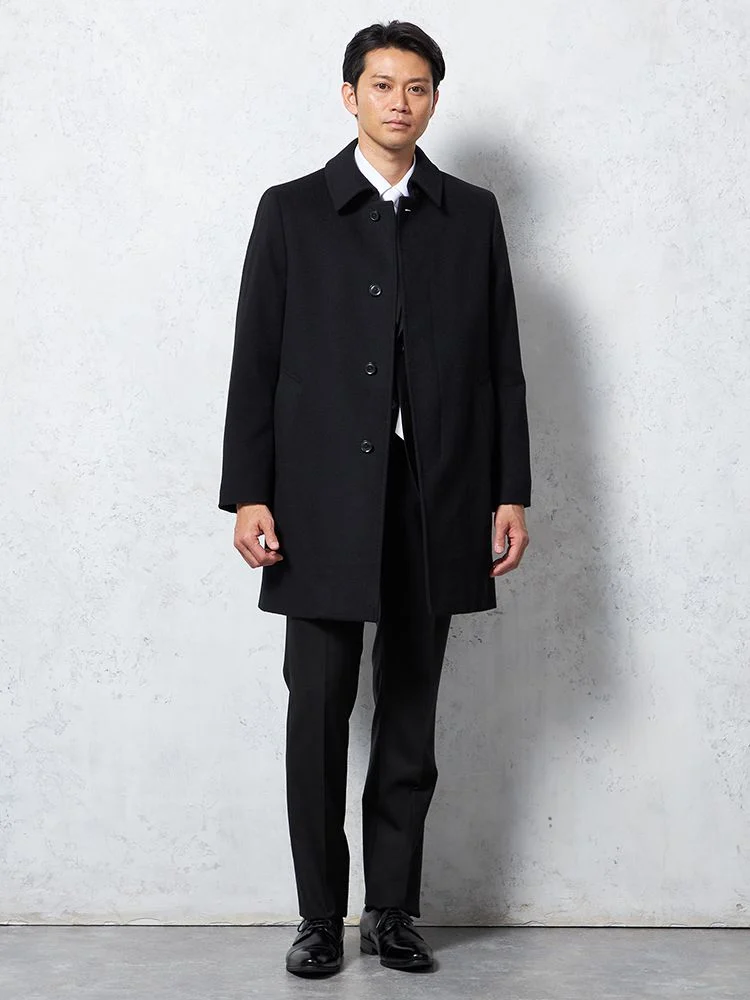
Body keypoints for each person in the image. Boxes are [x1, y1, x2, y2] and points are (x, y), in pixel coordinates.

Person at [218, 19, 531, 977]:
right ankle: (319, 916)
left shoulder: (469, 214)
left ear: (434, 100)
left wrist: (508, 490)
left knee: (410, 707)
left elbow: (502, 365)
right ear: (350, 95)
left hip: (437, 494)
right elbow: (256, 359)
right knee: (316, 707)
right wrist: (249, 493)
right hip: (316, 499)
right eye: (384, 85)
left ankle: (392, 911)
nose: (401, 102)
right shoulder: (292, 211)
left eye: (418, 87)